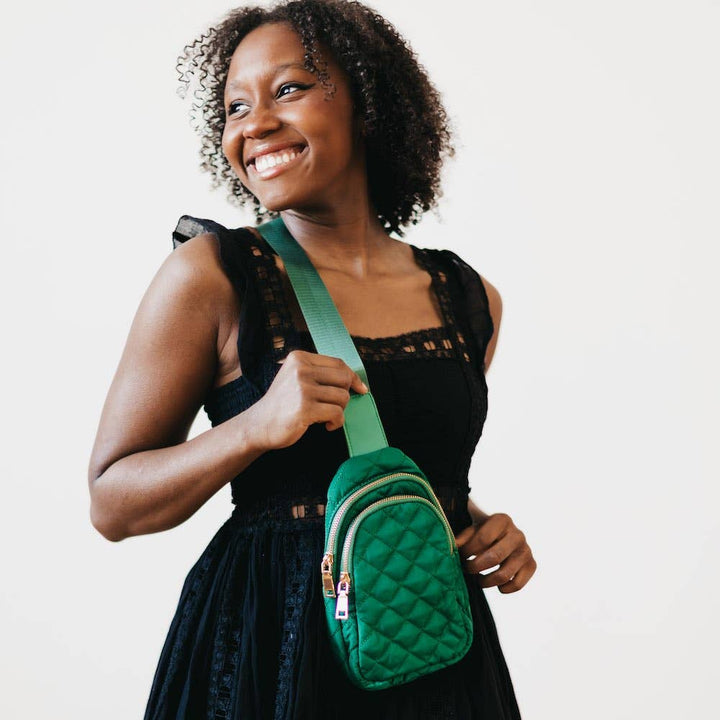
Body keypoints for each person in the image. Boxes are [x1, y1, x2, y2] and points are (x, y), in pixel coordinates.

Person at [87, 1, 537, 717]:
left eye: (289, 89)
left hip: (425, 642)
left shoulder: (467, 297)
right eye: (236, 105)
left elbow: (393, 460)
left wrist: (480, 529)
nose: (254, 124)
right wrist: (253, 427)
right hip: (270, 649)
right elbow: (112, 502)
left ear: (369, 105)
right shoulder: (212, 275)